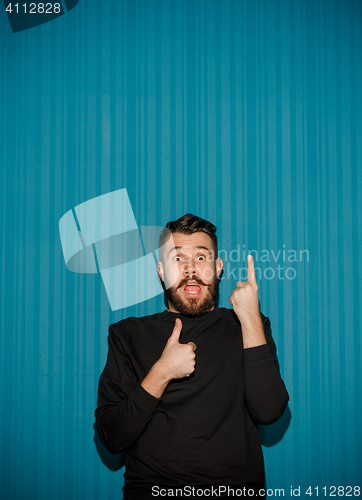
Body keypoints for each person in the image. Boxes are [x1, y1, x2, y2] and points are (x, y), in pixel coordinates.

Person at [95, 214, 289, 499]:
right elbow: (111, 438)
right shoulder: (128, 334)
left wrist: (249, 319)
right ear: (161, 272)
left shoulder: (248, 326)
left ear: (217, 267)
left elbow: (270, 412)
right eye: (177, 259)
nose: (190, 269)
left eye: (201, 258)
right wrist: (160, 373)